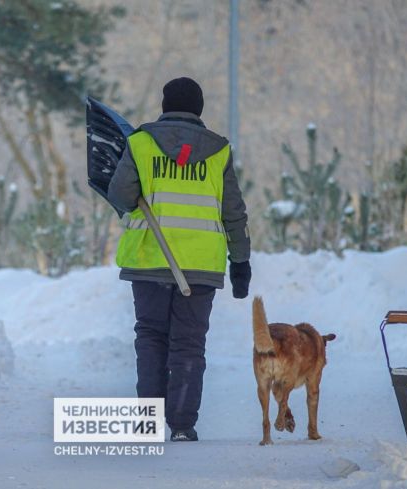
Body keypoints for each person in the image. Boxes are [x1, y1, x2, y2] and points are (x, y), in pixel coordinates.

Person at [107, 77, 251, 442]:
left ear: (164, 105)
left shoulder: (140, 144)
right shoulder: (219, 151)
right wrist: (240, 263)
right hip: (201, 265)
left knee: (152, 337)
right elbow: (233, 211)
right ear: (199, 109)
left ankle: (147, 422)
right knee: (189, 343)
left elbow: (122, 196)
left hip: (149, 258)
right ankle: (183, 425)